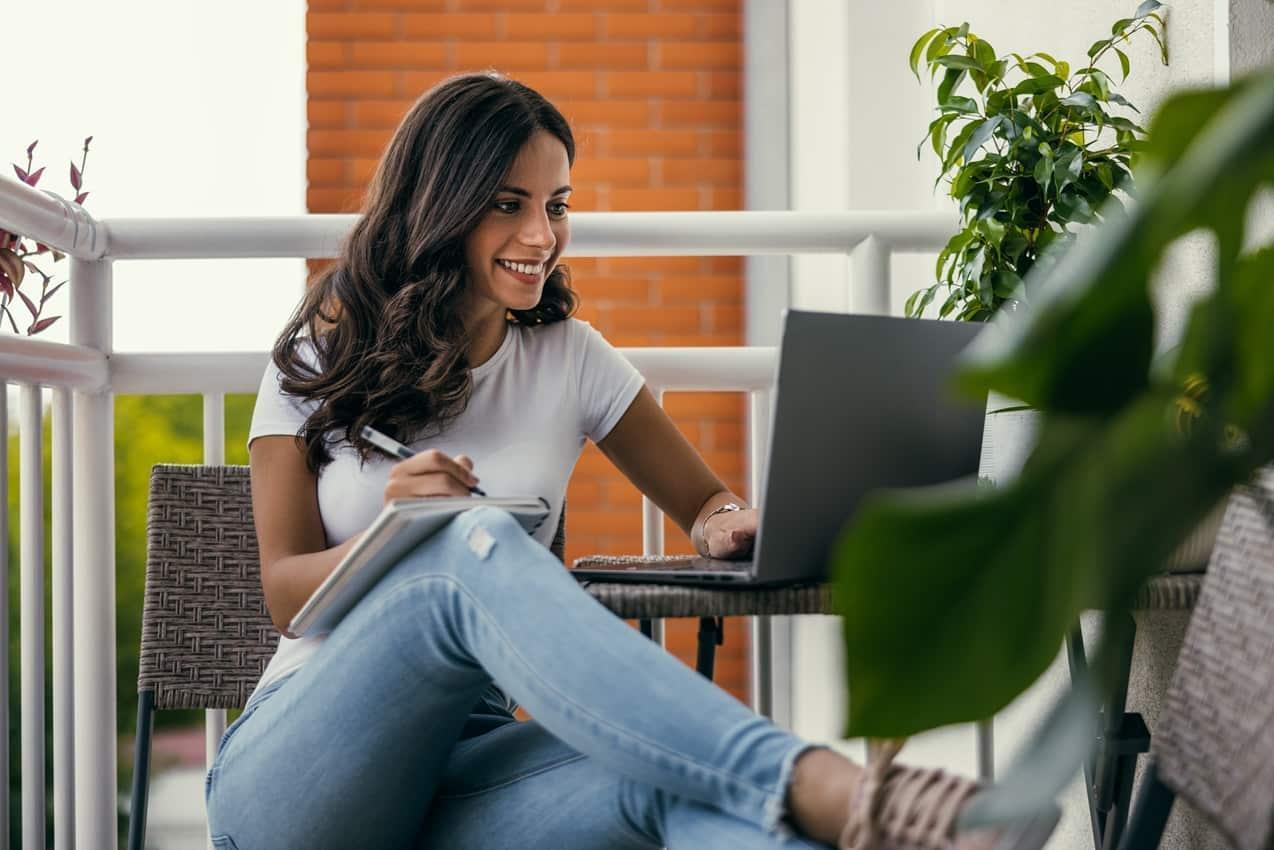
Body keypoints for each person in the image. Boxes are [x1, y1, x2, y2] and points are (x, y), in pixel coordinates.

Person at [205, 72, 1057, 850]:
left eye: (558, 205)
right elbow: (285, 595)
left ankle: (868, 822)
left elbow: (706, 501)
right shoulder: (326, 348)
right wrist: (399, 533)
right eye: (509, 204)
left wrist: (725, 523)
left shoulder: (570, 357)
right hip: (298, 780)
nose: (542, 235)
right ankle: (835, 785)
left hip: (467, 769)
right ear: (443, 204)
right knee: (464, 543)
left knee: (683, 797)